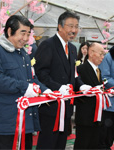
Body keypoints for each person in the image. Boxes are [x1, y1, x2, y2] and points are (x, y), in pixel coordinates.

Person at [0, 15, 51, 150]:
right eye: (22, 33)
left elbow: (31, 78)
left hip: (25, 122)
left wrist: (45, 91)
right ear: (9, 31)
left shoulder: (24, 54)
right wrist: (25, 87)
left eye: (28, 34)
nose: (26, 39)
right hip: (4, 122)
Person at [34, 11, 91, 150]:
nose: (74, 30)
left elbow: (73, 75)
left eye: (76, 26)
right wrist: (57, 87)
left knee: (60, 144)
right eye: (70, 26)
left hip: (66, 107)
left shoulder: (72, 48)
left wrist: (82, 86)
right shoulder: (48, 45)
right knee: (47, 144)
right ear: (60, 26)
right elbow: (40, 73)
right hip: (51, 106)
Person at [74, 42, 106, 149]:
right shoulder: (81, 69)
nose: (102, 57)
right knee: (82, 144)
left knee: (94, 144)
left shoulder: (98, 70)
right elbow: (77, 89)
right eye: (101, 54)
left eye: (103, 54)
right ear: (91, 53)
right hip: (85, 116)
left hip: (97, 116)